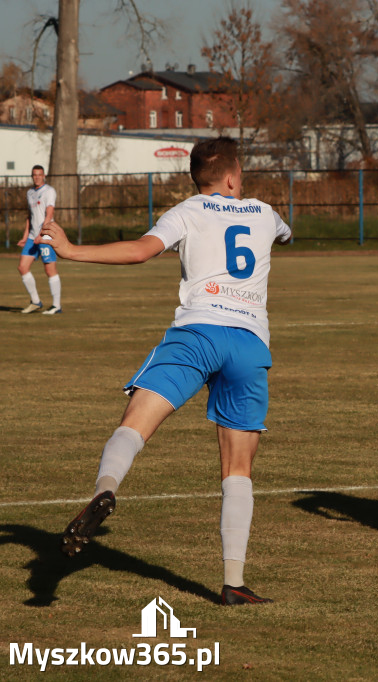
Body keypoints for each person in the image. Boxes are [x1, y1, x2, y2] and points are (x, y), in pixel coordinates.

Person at [42, 137, 291, 605]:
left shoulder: (187, 211)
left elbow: (139, 251)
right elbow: (283, 233)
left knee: (133, 426)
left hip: (197, 334)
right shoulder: (264, 211)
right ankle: (234, 584)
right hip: (249, 343)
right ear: (234, 177)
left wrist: (72, 251)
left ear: (197, 178)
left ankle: (106, 489)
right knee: (238, 468)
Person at [17, 164, 62, 314]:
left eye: (39, 174)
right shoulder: (30, 192)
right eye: (34, 174)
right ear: (32, 176)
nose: (37, 177)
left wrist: (41, 233)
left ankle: (56, 306)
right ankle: (36, 301)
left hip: (46, 234)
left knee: (50, 269)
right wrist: (25, 237)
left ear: (44, 176)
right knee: (23, 267)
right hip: (32, 236)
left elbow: (49, 213)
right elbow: (30, 216)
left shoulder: (49, 191)